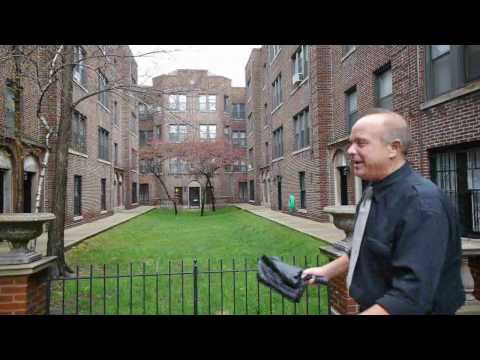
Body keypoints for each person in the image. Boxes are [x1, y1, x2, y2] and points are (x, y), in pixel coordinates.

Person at [302, 109, 465, 315]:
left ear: (393, 148)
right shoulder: (372, 191)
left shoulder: (422, 204)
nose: (350, 150)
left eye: (361, 143)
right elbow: (365, 248)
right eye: (351, 143)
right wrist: (325, 272)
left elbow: (411, 296)